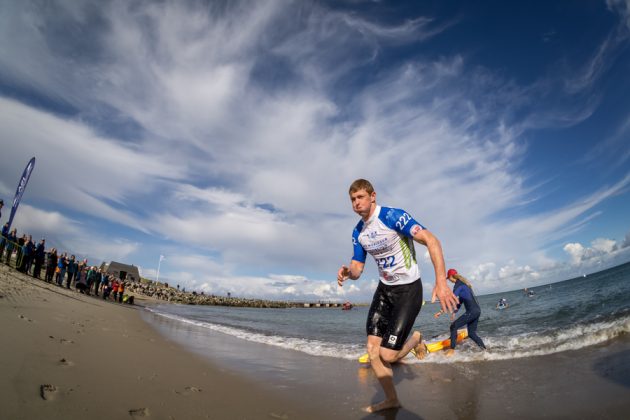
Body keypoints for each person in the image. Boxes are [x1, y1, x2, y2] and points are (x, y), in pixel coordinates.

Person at [337, 179, 458, 413]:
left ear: (372, 196)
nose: (356, 203)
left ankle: (415, 339)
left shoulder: (393, 217)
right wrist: (347, 272)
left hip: (409, 289)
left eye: (360, 197)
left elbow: (432, 240)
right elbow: (357, 269)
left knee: (388, 355)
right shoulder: (358, 232)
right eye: (352, 199)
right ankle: (392, 399)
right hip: (385, 290)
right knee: (372, 351)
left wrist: (441, 281)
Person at [435, 269, 486, 356]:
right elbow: (460, 301)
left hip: (472, 312)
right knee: (471, 333)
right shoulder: (464, 285)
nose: (449, 280)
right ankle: (485, 350)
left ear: (451, 277)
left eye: (449, 278)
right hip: (477, 311)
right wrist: (454, 312)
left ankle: (451, 350)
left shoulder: (458, 285)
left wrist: (441, 311)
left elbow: (451, 299)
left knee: (453, 326)